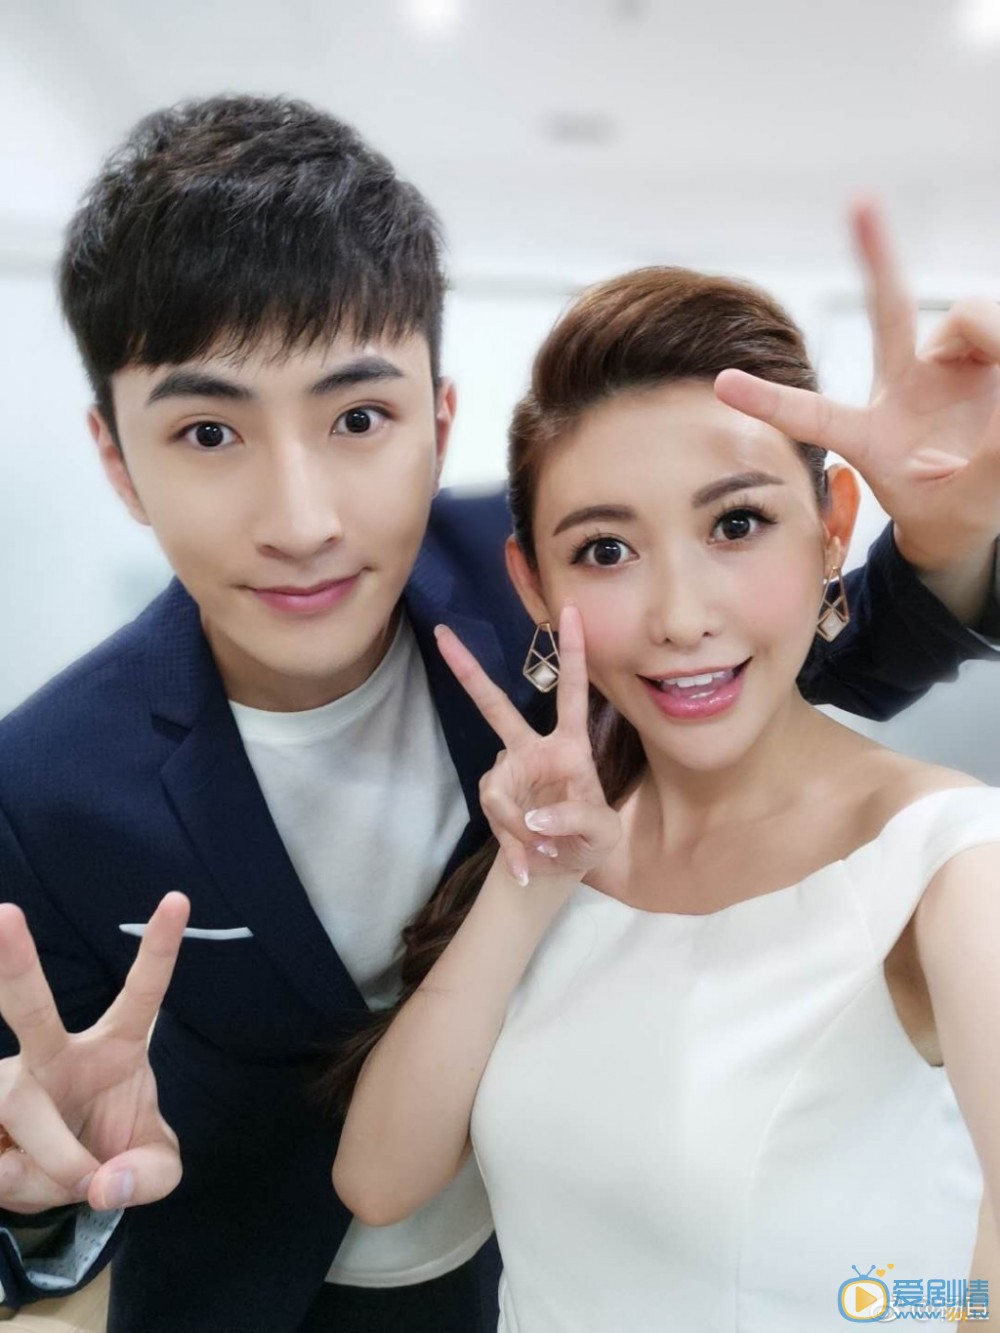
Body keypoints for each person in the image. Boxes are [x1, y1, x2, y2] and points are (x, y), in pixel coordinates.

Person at [0, 91, 994, 1331]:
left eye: (358, 417)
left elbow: (798, 657)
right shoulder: (44, 784)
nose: (301, 519)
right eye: (208, 431)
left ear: (437, 420)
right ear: (117, 461)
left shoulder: (558, 572)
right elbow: (36, 1120)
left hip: (523, 1267)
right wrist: (38, 1202)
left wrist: (949, 536)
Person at [332, 260, 1000, 1330]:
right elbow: (379, 1181)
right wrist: (530, 881)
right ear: (535, 587)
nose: (680, 615)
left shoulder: (948, 864)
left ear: (832, 525)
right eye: (606, 550)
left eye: (735, 525)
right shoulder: (567, 836)